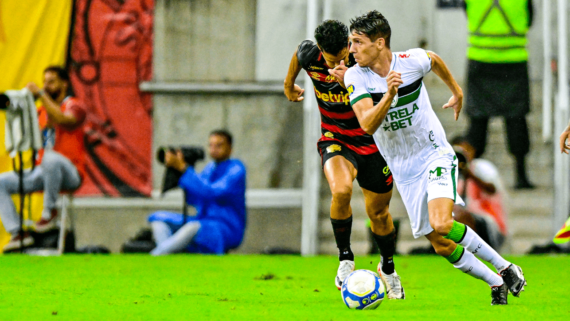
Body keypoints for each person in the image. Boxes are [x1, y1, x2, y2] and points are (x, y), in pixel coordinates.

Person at [331, 10, 526, 305]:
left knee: (442, 223)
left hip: (434, 153)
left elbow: (433, 59)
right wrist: (388, 95)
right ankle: (496, 282)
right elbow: (368, 124)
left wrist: (457, 91)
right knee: (440, 244)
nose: (351, 49)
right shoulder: (357, 77)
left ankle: (506, 267)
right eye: (350, 42)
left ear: (380, 42)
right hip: (403, 169)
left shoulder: (410, 62)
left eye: (358, 42)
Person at [283, 20, 403, 298]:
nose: (339, 62)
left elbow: (382, 97)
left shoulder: (363, 62)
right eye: (332, 58)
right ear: (322, 51)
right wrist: (289, 84)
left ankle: (388, 268)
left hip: (372, 142)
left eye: (343, 56)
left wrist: (349, 80)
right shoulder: (310, 55)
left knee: (379, 214)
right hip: (336, 138)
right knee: (341, 190)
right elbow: (298, 55)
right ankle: (345, 259)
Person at [0, 66, 86, 252]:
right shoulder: (41, 111)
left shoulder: (74, 104)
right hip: (42, 172)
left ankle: (49, 212)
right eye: (44, 81)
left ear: (64, 83)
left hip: (70, 173)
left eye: (51, 81)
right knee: (1, 182)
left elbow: (65, 120)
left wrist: (40, 94)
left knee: (50, 158)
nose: (46, 86)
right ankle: (18, 232)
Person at [463, 0, 535, 189]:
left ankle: (469, 175)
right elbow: (529, 19)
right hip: (514, 60)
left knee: (478, 119)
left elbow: (466, 11)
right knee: (516, 118)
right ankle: (521, 176)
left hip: (480, 59)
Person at [148, 130, 246, 255]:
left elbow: (212, 192)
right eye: (211, 145)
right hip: (203, 220)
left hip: (225, 226)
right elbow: (194, 199)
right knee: (159, 220)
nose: (214, 149)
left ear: (230, 148)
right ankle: (168, 259)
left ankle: (157, 254)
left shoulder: (236, 169)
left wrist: (184, 169)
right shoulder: (210, 168)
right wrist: (179, 173)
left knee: (193, 227)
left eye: (219, 145)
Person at [452, 136, 507, 251]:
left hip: (488, 219)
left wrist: (471, 175)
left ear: (473, 150)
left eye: (465, 151)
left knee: (462, 218)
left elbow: (492, 189)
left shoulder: (482, 167)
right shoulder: (448, 171)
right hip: (459, 218)